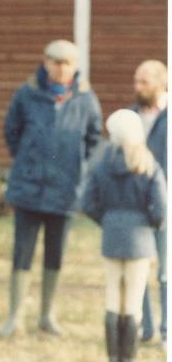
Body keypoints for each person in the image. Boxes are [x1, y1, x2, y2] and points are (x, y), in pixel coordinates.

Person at [0, 39, 103, 337]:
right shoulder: (27, 93)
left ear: (75, 67)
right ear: (45, 62)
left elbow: (94, 140)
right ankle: (14, 318)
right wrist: (29, 160)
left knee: (55, 254)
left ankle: (47, 316)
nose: (60, 68)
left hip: (65, 191)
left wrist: (75, 169)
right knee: (22, 253)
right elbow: (12, 131)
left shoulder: (86, 99)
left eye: (67, 62)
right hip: (29, 189)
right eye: (55, 61)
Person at [83, 109, 166, 362]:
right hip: (140, 240)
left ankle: (112, 357)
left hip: (111, 237)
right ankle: (127, 358)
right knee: (132, 301)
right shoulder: (148, 164)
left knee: (112, 297)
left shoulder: (103, 162)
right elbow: (162, 207)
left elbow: (88, 202)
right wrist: (151, 224)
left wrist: (106, 220)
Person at [132, 59, 167, 345]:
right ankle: (146, 328)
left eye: (144, 82)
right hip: (135, 207)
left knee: (166, 270)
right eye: (136, 81)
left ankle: (168, 329)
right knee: (139, 270)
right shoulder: (130, 116)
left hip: (166, 204)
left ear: (161, 82)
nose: (138, 87)